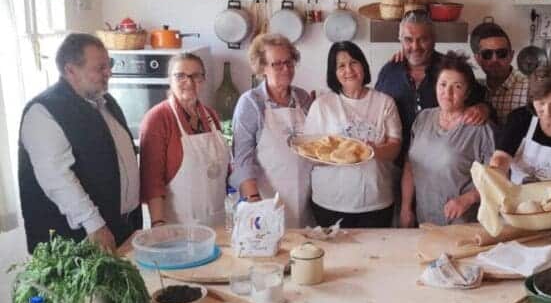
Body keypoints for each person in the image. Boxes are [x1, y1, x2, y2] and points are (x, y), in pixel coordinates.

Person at [18, 33, 140, 252]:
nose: (109, 72)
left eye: (109, 64)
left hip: (121, 227)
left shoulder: (106, 102)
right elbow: (57, 177)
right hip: (79, 239)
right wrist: (94, 224)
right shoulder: (43, 111)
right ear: (71, 70)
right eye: (100, 68)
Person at [305, 41, 402, 228]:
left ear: (363, 65)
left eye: (353, 62)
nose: (348, 70)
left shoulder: (385, 102)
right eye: (341, 66)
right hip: (330, 202)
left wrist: (373, 151)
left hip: (376, 201)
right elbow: (309, 154)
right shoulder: (322, 105)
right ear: (333, 72)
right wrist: (338, 154)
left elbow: (395, 148)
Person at [375, 10, 491, 162]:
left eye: (423, 39)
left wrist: (483, 108)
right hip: (394, 163)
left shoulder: (450, 69)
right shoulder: (389, 72)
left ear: (434, 39)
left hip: (441, 164)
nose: (415, 46)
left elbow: (483, 101)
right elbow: (375, 113)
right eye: (408, 40)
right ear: (400, 40)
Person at [400, 51, 495, 227]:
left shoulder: (480, 128)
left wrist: (468, 199)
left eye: (457, 86)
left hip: (463, 223)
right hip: (425, 218)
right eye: (443, 84)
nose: (447, 92)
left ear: (467, 92)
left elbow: (496, 178)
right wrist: (406, 208)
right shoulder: (423, 118)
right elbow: (410, 165)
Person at [230, 34, 314, 228]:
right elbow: (242, 160)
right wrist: (256, 205)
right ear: (262, 68)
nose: (286, 69)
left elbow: (315, 147)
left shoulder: (302, 98)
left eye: (289, 62)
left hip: (305, 201)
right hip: (266, 200)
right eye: (277, 64)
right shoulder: (251, 103)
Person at [139, 53, 230, 227]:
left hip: (216, 221)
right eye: (180, 76)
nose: (189, 82)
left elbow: (224, 171)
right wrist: (158, 225)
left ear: (203, 80)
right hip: (177, 226)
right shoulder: (157, 118)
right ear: (170, 80)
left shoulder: (211, 116)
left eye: (196, 76)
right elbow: (152, 181)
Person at [469, 18, 529, 125]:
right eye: (487, 54)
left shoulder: (529, 89)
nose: (494, 60)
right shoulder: (475, 90)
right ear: (478, 59)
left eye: (501, 53)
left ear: (511, 56)